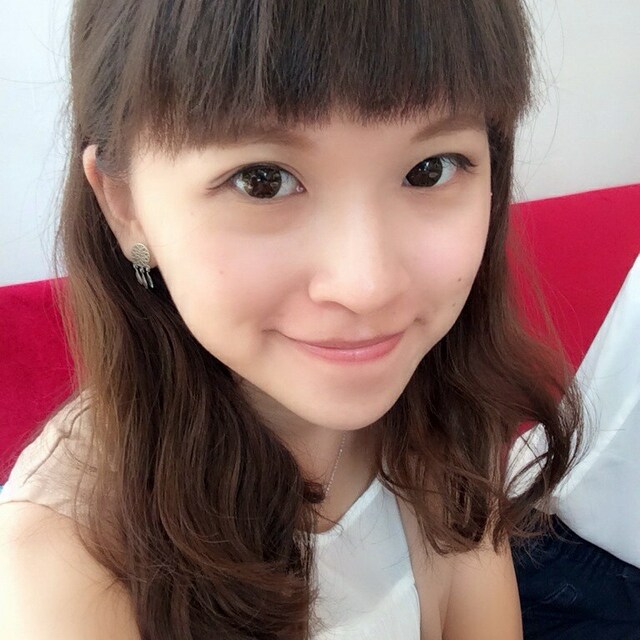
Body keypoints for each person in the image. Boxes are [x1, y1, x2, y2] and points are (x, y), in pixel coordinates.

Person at [0, 1, 584, 638]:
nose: (368, 287)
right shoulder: (63, 570)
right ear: (124, 205)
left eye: (429, 170)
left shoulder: (440, 407)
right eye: (262, 180)